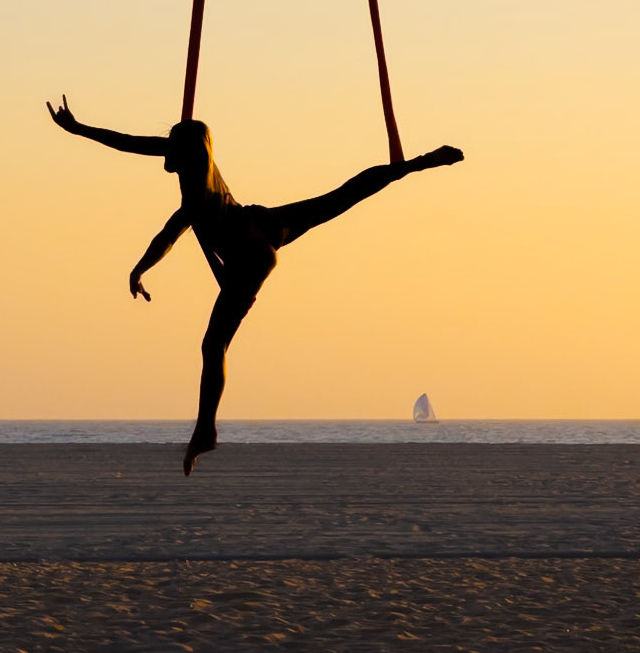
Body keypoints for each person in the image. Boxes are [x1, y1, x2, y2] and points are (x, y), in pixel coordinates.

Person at [47, 97, 464, 475]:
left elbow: (161, 219)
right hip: (261, 223)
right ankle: (416, 165)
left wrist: (138, 269)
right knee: (340, 198)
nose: (162, 150)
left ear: (186, 152)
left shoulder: (196, 193)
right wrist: (80, 129)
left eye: (169, 145)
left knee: (214, 346)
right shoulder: (198, 177)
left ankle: (205, 431)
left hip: (250, 252)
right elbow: (138, 153)